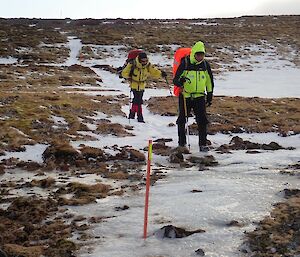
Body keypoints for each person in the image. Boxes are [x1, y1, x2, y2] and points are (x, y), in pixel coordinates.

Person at [173, 41, 214, 152]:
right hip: (185, 96)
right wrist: (180, 81)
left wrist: (210, 95)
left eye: (202, 55)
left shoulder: (205, 65)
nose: (200, 57)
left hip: (200, 97)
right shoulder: (185, 63)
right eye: (198, 54)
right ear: (194, 53)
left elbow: (209, 82)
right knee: (182, 120)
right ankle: (182, 143)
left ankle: (203, 144)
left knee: (202, 121)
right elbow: (176, 80)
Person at [122, 52, 167, 123]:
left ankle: (132, 114)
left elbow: (154, 71)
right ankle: (140, 116)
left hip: (142, 85)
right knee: (138, 100)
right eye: (143, 61)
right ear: (139, 60)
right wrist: (130, 77)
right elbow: (124, 73)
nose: (145, 62)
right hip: (134, 84)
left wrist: (161, 74)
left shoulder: (148, 65)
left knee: (136, 100)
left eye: (146, 60)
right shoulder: (132, 64)